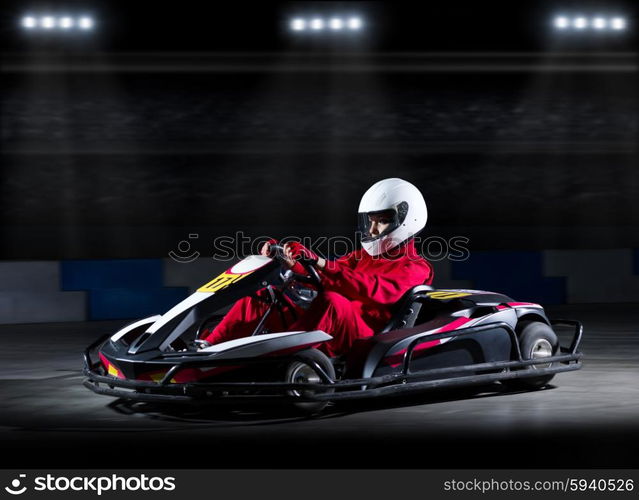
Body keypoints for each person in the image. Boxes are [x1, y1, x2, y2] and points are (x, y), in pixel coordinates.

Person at [201, 178, 434, 357]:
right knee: (264, 296)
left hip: (367, 338)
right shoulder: (360, 257)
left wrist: (319, 262)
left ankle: (282, 359)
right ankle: (208, 350)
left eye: (381, 221)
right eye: (370, 221)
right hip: (332, 325)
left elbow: (368, 287)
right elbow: (327, 274)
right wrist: (291, 261)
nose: (372, 231)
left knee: (333, 302)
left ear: (406, 220)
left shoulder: (415, 267)